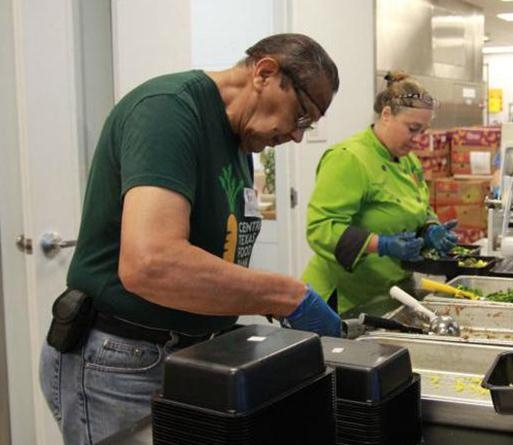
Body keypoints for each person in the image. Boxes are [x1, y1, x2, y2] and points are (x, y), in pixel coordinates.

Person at [37, 34, 344, 444]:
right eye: (302, 116)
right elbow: (152, 263)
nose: (298, 136)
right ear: (265, 73)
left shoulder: (239, 139)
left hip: (187, 354)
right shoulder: (168, 111)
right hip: (121, 361)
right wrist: (285, 295)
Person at [301, 71, 457, 317]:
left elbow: (417, 207)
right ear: (386, 115)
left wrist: (429, 229)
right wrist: (381, 244)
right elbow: (321, 228)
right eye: (413, 129)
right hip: (344, 301)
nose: (418, 140)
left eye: (423, 131)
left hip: (392, 294)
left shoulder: (408, 160)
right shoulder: (349, 158)